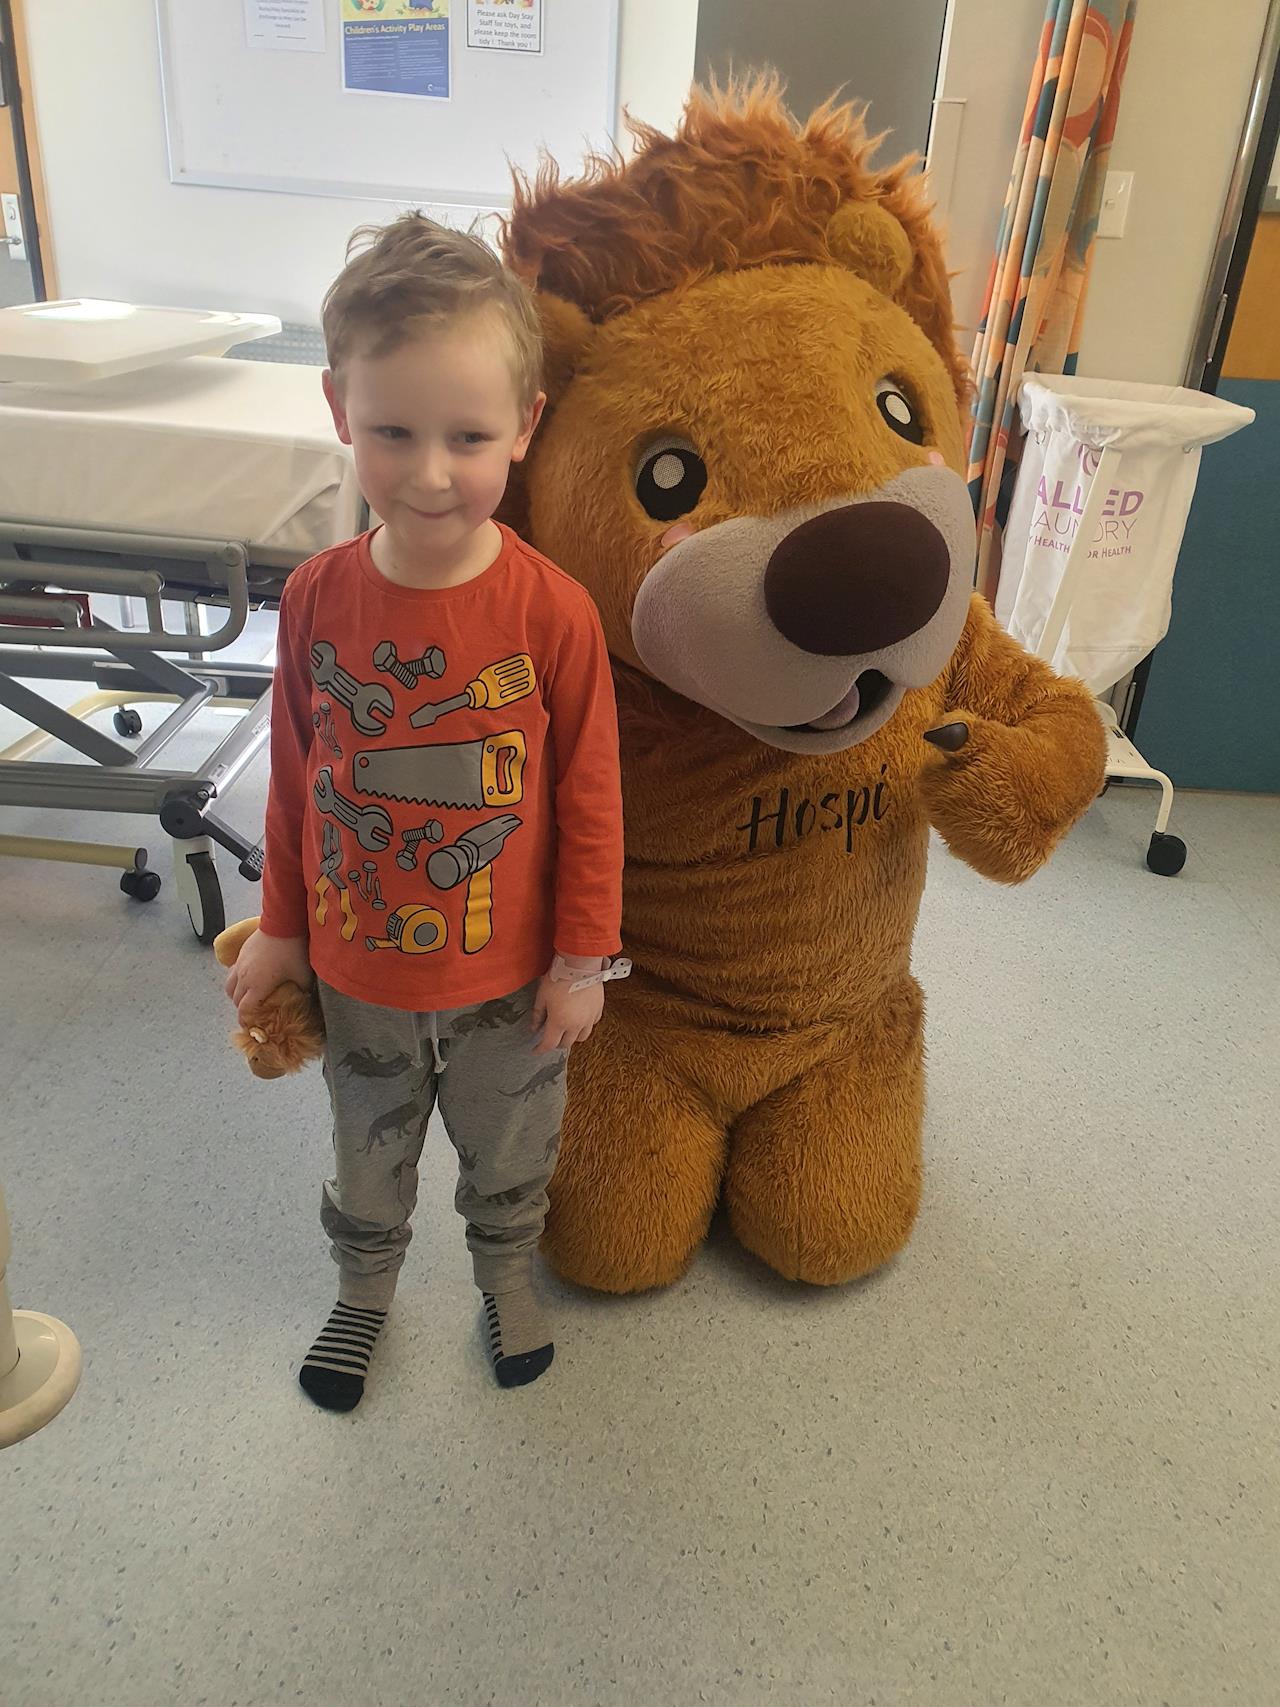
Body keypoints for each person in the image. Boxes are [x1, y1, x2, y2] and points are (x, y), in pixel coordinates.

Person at [224, 215, 625, 1411]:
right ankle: (363, 1293)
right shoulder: (316, 598)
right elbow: (296, 780)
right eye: (393, 432)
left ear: (525, 427)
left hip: (512, 984)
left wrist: (582, 961)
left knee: (510, 1154)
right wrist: (281, 931)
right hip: (359, 972)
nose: (430, 472)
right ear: (340, 411)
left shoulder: (552, 613)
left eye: (468, 437)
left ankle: (504, 1279)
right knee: (368, 1154)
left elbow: (591, 801)